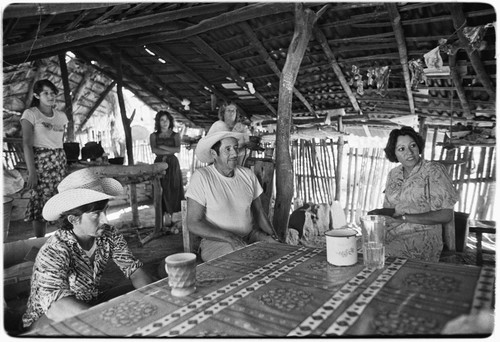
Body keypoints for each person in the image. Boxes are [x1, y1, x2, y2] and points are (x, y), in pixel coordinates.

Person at [22, 168, 154, 331]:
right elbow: (56, 307)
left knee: (140, 294)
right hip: (47, 318)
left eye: (104, 211)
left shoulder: (108, 235)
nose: (105, 220)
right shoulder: (54, 250)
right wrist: (104, 322)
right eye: (96, 214)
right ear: (74, 219)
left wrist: (154, 298)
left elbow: (134, 271)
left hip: (88, 303)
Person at [185, 121, 279, 262]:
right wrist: (230, 238)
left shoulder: (247, 175)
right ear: (213, 153)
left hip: (251, 236)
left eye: (235, 148)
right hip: (217, 242)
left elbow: (259, 212)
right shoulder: (202, 177)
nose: (235, 153)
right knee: (245, 261)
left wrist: (272, 235)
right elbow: (193, 223)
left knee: (281, 250)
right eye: (227, 149)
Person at [370, 126, 459, 262]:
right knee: (360, 250)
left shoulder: (433, 170)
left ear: (418, 147)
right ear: (394, 153)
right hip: (392, 232)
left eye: (412, 145)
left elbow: (446, 215)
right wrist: (377, 213)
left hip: (422, 236)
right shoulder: (394, 174)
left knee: (379, 257)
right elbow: (394, 210)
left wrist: (405, 218)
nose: (409, 152)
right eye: (401, 149)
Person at [21, 79, 68, 237]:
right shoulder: (31, 114)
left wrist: (62, 162)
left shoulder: (61, 116)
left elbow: (60, 142)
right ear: (36, 95)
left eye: (53, 93)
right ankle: (40, 242)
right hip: (41, 164)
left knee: (61, 203)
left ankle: (63, 243)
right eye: (46, 93)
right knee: (40, 203)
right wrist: (32, 172)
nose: (50, 96)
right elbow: (27, 144)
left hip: (59, 162)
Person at [150, 110, 185, 225]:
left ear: (170, 121)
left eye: (167, 120)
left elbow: (177, 150)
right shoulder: (153, 136)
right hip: (159, 164)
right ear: (158, 122)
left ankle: (170, 215)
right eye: (162, 120)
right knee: (160, 188)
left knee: (173, 188)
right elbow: (154, 150)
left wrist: (163, 146)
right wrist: (169, 149)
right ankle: (163, 216)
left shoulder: (175, 135)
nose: (165, 122)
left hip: (172, 164)